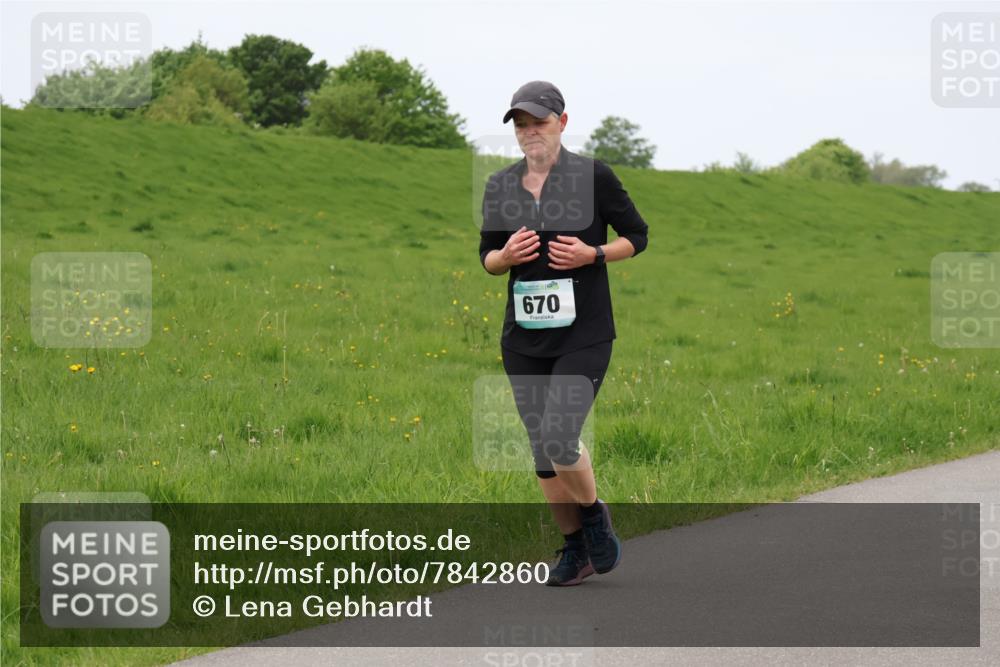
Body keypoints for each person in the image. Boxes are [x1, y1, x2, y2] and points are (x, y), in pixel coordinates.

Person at [478, 81, 649, 586]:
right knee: (541, 451)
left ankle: (594, 515)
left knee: (558, 436)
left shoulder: (593, 176)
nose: (531, 132)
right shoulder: (501, 185)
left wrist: (592, 254)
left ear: (562, 123)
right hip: (524, 339)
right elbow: (487, 257)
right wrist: (505, 256)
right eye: (522, 125)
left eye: (540, 122)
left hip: (584, 333)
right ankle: (576, 549)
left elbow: (637, 236)